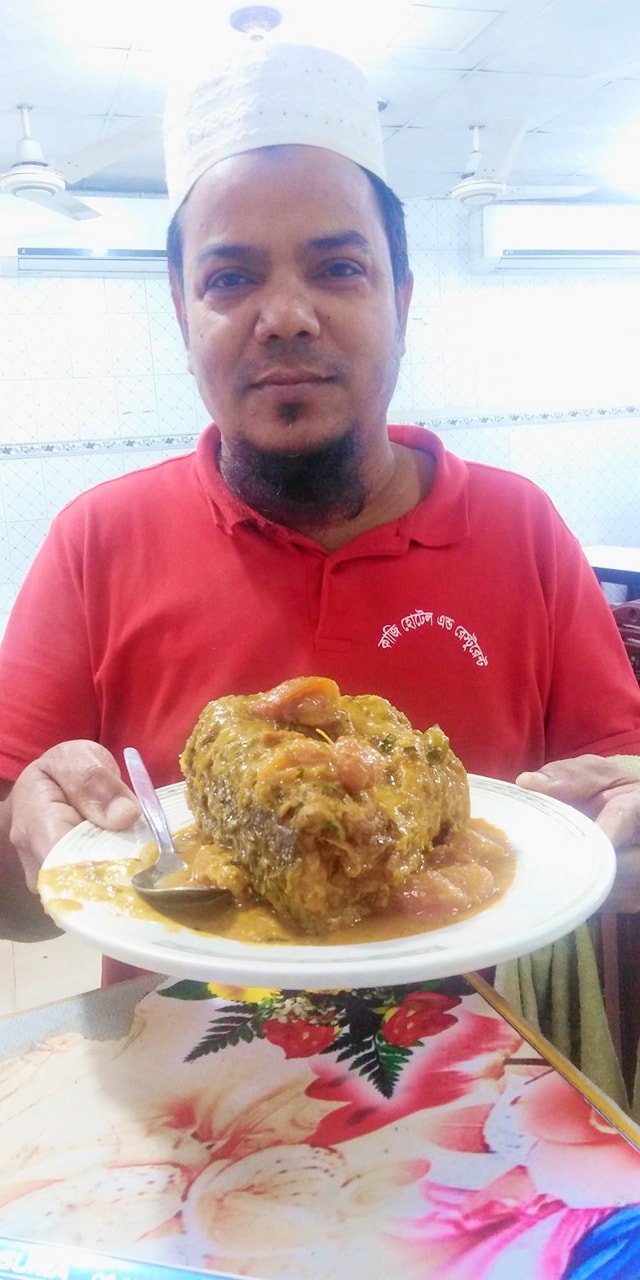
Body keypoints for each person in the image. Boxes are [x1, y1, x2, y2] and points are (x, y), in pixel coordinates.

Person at [1, 40, 640, 964]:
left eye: (338, 268)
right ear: (183, 316)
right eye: (230, 278)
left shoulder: (523, 529)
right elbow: (18, 903)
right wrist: (30, 837)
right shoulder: (95, 541)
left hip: (494, 1037)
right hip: (180, 1048)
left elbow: (614, 807)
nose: (287, 316)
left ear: (403, 301)